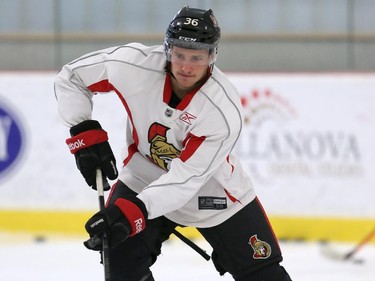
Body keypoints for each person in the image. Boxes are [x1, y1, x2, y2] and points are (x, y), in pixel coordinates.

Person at [54, 5, 292, 281]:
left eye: (197, 57)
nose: (187, 66)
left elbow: (186, 179)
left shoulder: (222, 110)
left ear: (213, 56)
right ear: (167, 49)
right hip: (143, 179)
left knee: (265, 275)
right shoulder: (134, 65)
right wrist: (84, 133)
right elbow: (72, 77)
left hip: (213, 196)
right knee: (120, 263)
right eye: (180, 54)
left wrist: (135, 211)